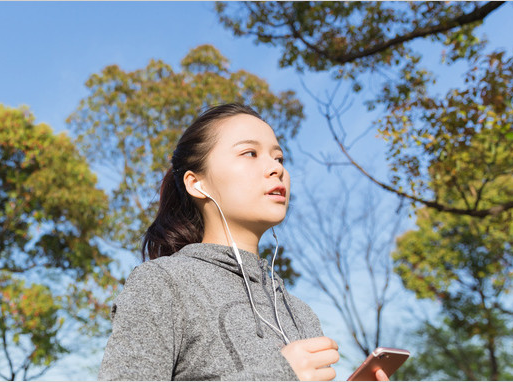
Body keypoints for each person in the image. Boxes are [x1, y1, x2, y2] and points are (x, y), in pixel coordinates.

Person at [97, 103, 389, 381]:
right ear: (196, 183)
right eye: (250, 153)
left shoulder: (298, 311)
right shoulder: (163, 283)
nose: (277, 169)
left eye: (279, 158)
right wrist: (277, 374)